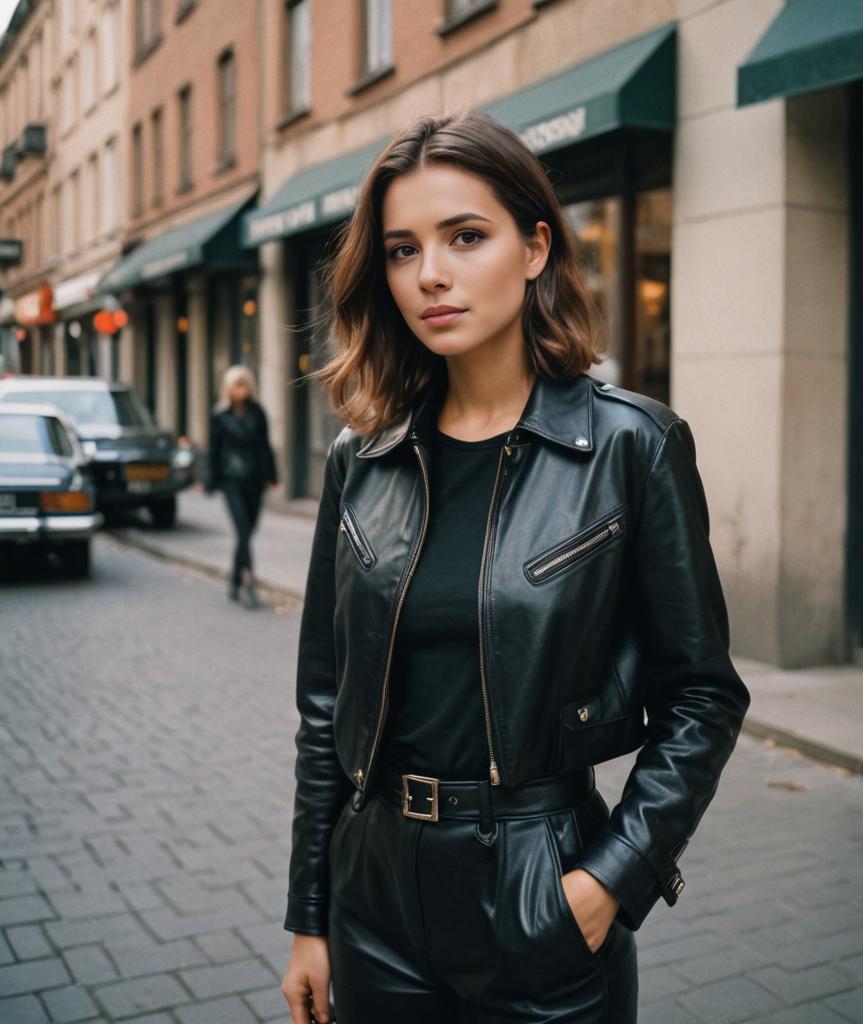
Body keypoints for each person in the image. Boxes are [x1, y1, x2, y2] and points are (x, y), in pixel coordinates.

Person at [280, 110, 751, 1024]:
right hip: (373, 894)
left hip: (543, 888)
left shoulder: (629, 447)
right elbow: (325, 707)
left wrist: (610, 879)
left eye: (465, 236)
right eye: (403, 249)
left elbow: (702, 696)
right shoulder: (362, 459)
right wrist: (309, 916)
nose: (432, 275)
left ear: (535, 248)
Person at [204, 364, 279, 608]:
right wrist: (210, 480)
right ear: (228, 388)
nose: (240, 389)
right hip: (231, 479)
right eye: (236, 384)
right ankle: (248, 580)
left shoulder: (258, 413)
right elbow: (213, 450)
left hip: (255, 479)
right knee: (244, 530)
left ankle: (234, 578)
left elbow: (265, 447)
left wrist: (273, 477)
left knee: (248, 531)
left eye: (244, 384)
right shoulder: (219, 415)